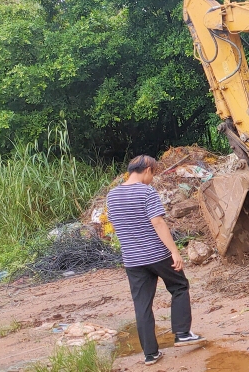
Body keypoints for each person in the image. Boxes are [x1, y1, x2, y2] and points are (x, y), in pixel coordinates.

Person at [106, 155, 203, 366]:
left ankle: (150, 354)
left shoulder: (112, 196)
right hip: (157, 254)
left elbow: (116, 225)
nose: (153, 178)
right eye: (154, 173)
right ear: (147, 169)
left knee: (142, 305)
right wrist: (175, 252)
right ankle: (182, 333)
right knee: (179, 286)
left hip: (132, 260)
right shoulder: (146, 191)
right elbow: (158, 223)